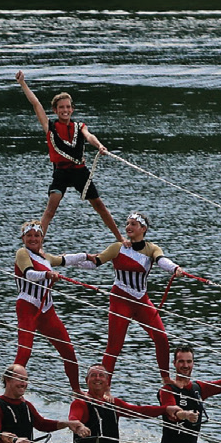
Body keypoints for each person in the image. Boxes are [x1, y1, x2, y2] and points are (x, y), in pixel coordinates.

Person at [63, 211, 186, 385]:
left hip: (141, 300)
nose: (128, 227)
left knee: (161, 337)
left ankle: (166, 378)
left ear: (143, 229)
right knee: (114, 346)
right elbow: (94, 263)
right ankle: (104, 388)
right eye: (127, 224)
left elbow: (162, 261)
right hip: (120, 299)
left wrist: (175, 269)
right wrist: (66, 260)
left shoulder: (152, 248)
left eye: (133, 224)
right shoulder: (117, 248)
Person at [14, 70, 122, 243]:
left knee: (99, 205)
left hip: (80, 172)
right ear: (55, 110)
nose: (65, 110)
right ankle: (37, 246)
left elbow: (89, 136)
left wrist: (99, 145)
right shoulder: (50, 127)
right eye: (61, 108)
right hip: (61, 173)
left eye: (67, 107)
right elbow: (35, 104)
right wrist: (23, 84)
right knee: (50, 210)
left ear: (72, 109)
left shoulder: (79, 127)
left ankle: (120, 238)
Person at [11, 220, 82, 394]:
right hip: (27, 306)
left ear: (42, 238)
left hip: (47, 309)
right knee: (25, 351)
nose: (33, 239)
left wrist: (92, 257)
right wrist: (48, 274)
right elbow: (29, 274)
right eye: (29, 236)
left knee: (68, 351)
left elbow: (66, 259)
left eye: (36, 236)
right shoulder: (22, 253)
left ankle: (77, 390)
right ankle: (10, 390)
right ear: (23, 238)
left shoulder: (45, 257)